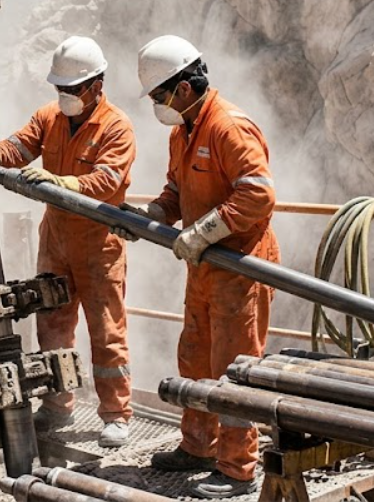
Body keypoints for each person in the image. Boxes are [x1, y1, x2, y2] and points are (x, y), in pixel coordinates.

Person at [118, 34, 277, 498]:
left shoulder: (228, 127)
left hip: (241, 267)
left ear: (183, 88)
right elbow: (176, 189)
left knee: (233, 368)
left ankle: (237, 469)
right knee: (195, 358)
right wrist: (155, 214)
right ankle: (198, 447)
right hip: (205, 266)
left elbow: (258, 194)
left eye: (158, 95)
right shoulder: (183, 131)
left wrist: (204, 231)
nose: (155, 105)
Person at [0, 35, 136, 448]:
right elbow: (19, 146)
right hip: (55, 240)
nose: (65, 95)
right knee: (52, 325)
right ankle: (57, 405)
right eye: (60, 88)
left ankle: (116, 415)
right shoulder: (49, 117)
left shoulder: (116, 127)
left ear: (96, 85)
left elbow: (107, 182)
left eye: (73, 88)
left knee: (106, 331)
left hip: (97, 244)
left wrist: (60, 182)